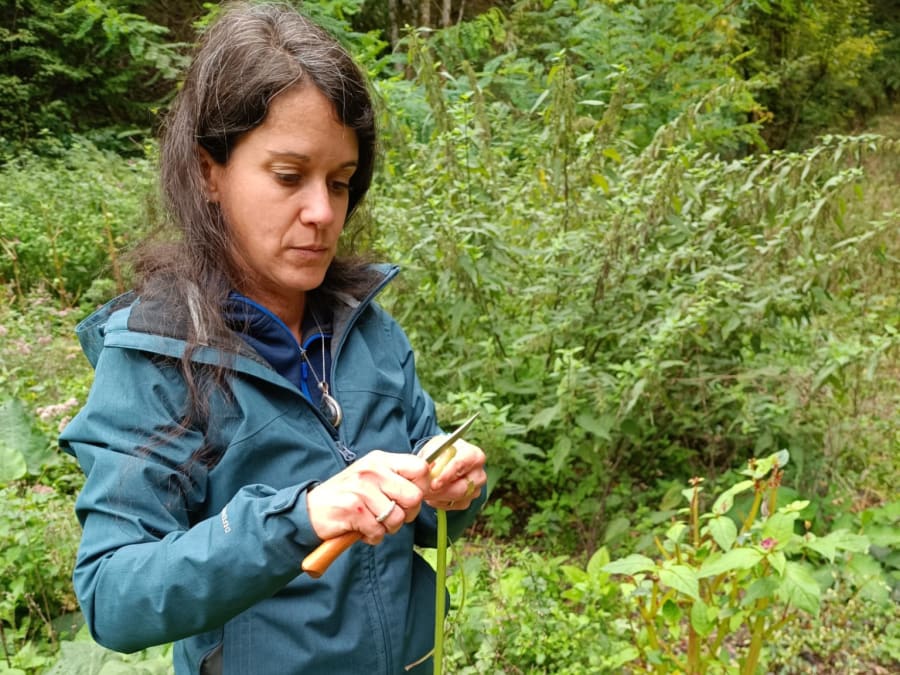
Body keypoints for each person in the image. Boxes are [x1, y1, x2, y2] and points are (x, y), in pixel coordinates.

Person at [58, 3, 487, 674]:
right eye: (289, 176)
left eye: (340, 182)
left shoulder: (367, 331)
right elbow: (114, 594)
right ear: (209, 172)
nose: (321, 212)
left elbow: (430, 525)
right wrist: (302, 515)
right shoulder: (160, 356)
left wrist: (450, 492)